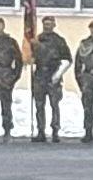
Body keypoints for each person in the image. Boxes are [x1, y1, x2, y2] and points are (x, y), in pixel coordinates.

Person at [27, 12, 70, 143]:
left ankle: (55, 131)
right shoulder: (37, 39)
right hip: (40, 74)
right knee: (39, 105)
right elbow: (31, 57)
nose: (47, 26)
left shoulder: (59, 41)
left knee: (54, 105)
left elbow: (67, 59)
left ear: (54, 25)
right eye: (45, 24)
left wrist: (58, 75)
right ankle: (41, 131)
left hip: (53, 74)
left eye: (50, 24)